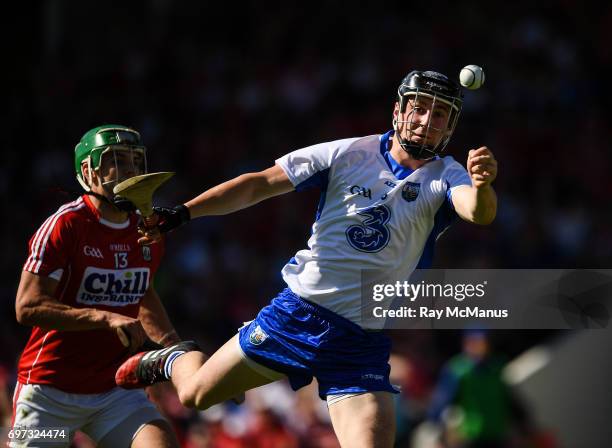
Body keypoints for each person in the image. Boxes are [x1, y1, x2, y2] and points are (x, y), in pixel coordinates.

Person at [116, 70, 498, 447]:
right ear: (398, 110)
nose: (427, 121)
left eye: (440, 114)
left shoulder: (449, 175)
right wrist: (183, 213)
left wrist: (482, 186)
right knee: (194, 395)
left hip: (359, 342)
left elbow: (479, 212)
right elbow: (259, 184)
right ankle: (171, 360)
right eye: (419, 108)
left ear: (451, 125)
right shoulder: (347, 152)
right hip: (297, 315)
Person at [13, 125, 185, 447]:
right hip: (48, 391)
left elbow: (143, 292)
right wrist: (104, 317)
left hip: (115, 389)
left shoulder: (147, 232)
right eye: (117, 161)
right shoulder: (65, 225)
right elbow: (27, 306)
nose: (130, 171)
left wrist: (177, 352)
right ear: (89, 170)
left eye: (135, 161)